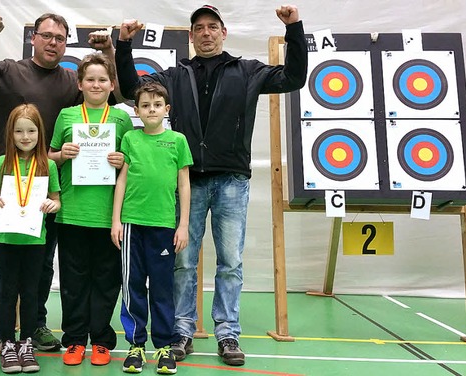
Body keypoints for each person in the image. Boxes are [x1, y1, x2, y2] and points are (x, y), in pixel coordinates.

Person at [114, 4, 307, 366]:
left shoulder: (248, 71)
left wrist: (294, 29)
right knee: (183, 260)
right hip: (189, 183)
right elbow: (129, 89)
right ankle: (181, 331)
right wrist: (124, 45)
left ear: (223, 33)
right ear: (191, 36)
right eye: (198, 27)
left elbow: (293, 78)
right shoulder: (174, 75)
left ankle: (228, 333)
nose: (205, 32)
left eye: (212, 27)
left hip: (232, 180)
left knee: (230, 261)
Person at [0, 13, 120, 359]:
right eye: (47, 35)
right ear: (33, 38)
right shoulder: (8, 70)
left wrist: (111, 54)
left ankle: (36, 324)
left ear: (66, 42)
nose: (53, 42)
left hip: (48, 187)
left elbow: (106, 105)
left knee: (41, 262)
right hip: (10, 184)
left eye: (60, 37)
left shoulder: (74, 81)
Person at [48, 52, 133, 367]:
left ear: (112, 84)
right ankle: (73, 340)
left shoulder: (121, 118)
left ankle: (101, 340)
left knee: (107, 280)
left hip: (109, 214)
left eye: (102, 79)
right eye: (90, 79)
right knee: (73, 281)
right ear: (80, 83)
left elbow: (130, 162)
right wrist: (62, 154)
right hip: (72, 212)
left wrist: (121, 160)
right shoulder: (67, 116)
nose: (96, 84)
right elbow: (49, 155)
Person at [111, 82, 193, 374]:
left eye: (157, 105)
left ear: (166, 109)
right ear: (136, 111)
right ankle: (135, 346)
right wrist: (116, 220)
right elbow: (121, 180)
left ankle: (163, 347)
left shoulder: (178, 141)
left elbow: (184, 184)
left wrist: (183, 225)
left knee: (161, 288)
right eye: (145, 105)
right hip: (132, 224)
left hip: (163, 227)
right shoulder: (131, 139)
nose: (151, 109)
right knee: (132, 286)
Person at [0, 103, 61, 373]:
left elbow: (56, 199)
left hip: (34, 241)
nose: (25, 137)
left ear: (40, 133)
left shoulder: (48, 165)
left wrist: (53, 206)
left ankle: (26, 344)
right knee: (8, 293)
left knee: (30, 293)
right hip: (6, 239)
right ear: (10, 133)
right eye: (19, 131)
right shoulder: (0, 163)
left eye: (31, 131)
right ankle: (7, 344)